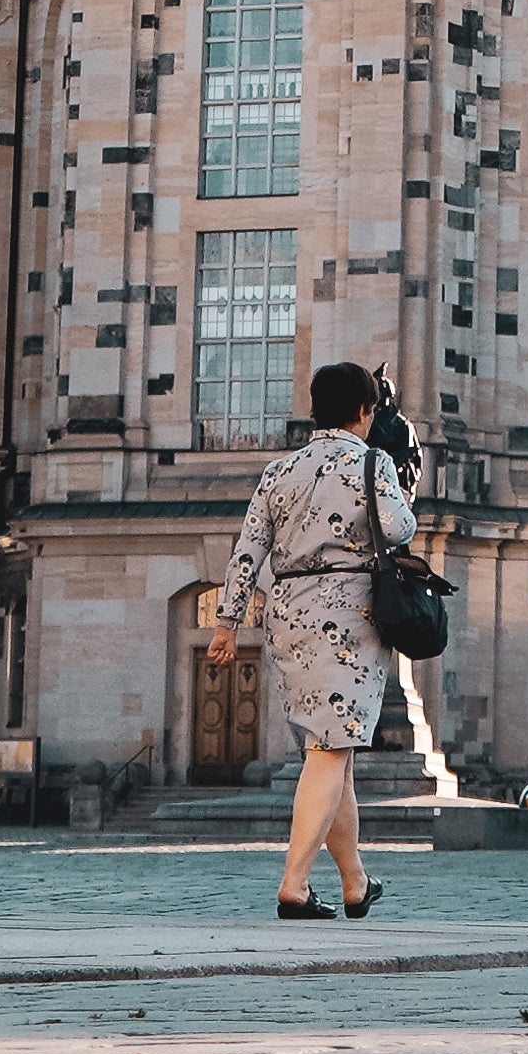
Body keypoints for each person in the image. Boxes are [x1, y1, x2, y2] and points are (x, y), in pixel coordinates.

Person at [207, 356, 418, 922]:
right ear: (362, 411)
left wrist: (228, 623)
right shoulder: (373, 463)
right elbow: (400, 528)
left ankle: (355, 883)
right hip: (350, 614)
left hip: (289, 614)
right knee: (330, 751)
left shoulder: (279, 471)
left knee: (332, 751)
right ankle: (294, 885)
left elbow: (247, 551)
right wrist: (391, 483)